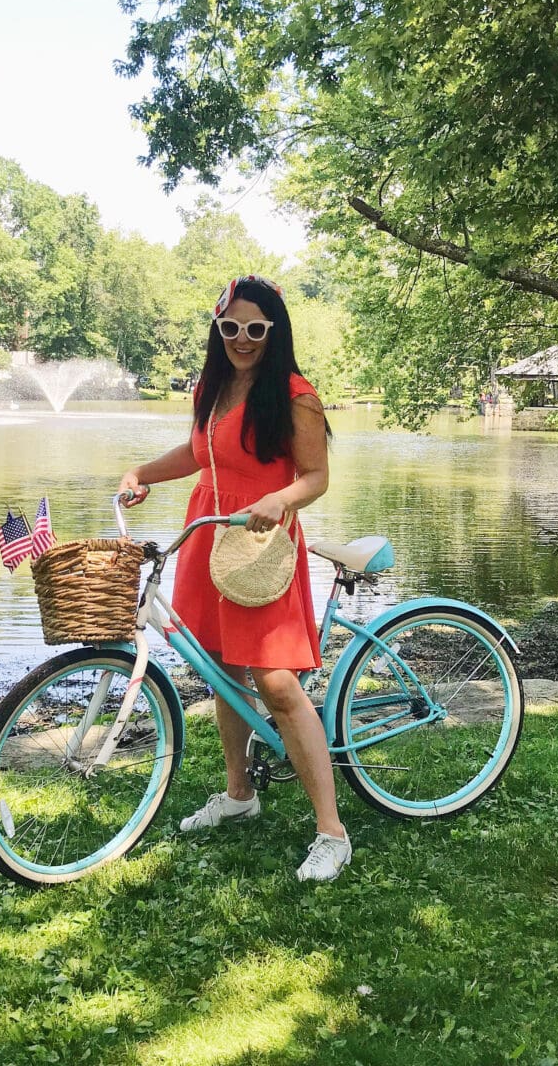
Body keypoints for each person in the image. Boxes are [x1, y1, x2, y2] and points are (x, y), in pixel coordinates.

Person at [118, 275, 351, 882]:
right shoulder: (213, 387)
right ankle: (239, 793)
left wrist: (281, 499)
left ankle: (332, 831)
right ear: (217, 330)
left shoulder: (295, 395)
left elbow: (316, 476)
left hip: (260, 543)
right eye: (230, 328)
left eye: (254, 329)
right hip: (209, 534)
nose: (241, 339)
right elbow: (200, 455)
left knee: (275, 682)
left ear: (273, 332)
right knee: (221, 669)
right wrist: (141, 471)